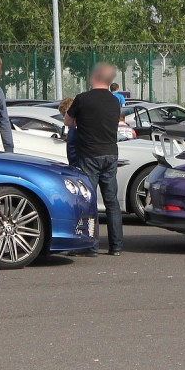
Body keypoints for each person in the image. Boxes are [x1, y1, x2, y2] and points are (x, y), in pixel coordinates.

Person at [65, 62, 124, 256]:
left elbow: (68, 121)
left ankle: (91, 246)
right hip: (110, 153)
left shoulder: (82, 99)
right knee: (111, 202)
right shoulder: (115, 101)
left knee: (88, 202)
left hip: (89, 154)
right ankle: (116, 246)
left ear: (94, 78)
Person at [58, 96, 79, 167]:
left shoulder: (74, 129)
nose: (64, 118)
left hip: (77, 165)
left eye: (64, 115)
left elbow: (72, 151)